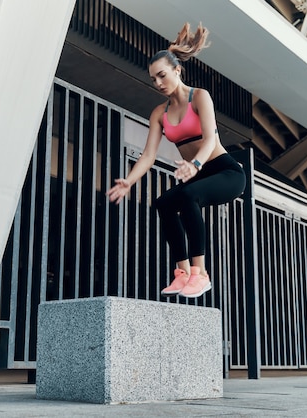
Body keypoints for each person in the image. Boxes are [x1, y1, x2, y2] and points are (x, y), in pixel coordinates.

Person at [107, 22, 246, 298]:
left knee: (189, 195)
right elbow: (148, 156)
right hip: (199, 176)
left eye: (162, 76)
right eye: (153, 79)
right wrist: (130, 181)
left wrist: (194, 165)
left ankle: (200, 274)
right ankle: (182, 274)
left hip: (226, 173)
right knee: (164, 203)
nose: (158, 83)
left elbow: (210, 140)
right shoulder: (159, 113)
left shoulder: (200, 97)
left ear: (177, 71)